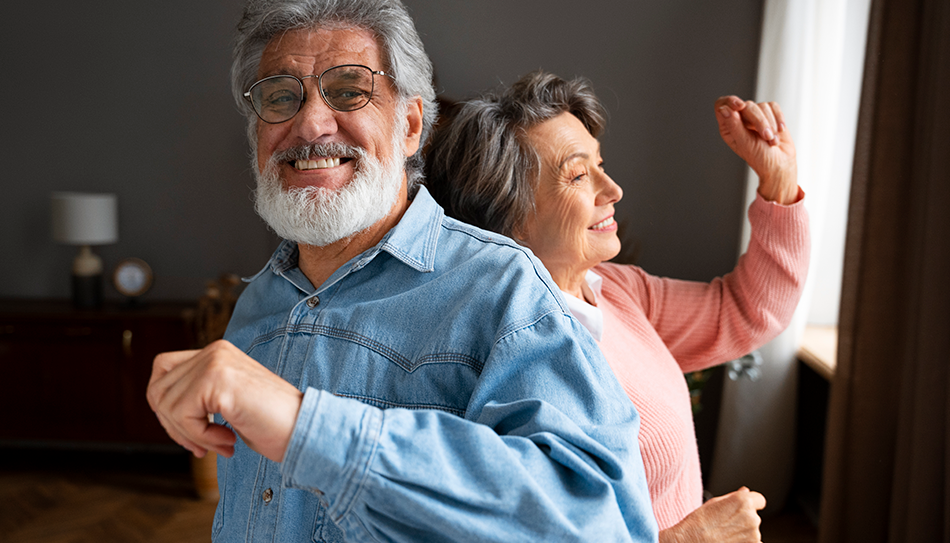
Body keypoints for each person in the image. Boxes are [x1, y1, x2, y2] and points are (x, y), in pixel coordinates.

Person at [146, 2, 659, 542]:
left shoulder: (503, 287)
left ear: (411, 125)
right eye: (280, 97)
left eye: (348, 90)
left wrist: (304, 426)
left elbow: (596, 520)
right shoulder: (258, 307)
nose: (311, 123)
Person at [425, 71, 810, 543]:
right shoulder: (495, 352)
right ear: (506, 213)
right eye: (578, 175)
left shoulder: (614, 290)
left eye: (601, 164)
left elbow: (745, 310)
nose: (612, 190)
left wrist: (778, 179)